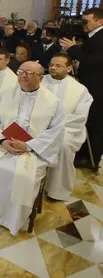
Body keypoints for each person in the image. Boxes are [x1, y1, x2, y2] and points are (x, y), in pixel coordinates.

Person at [0, 61, 65, 236]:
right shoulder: (5, 94)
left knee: (21, 175)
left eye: (29, 73)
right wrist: (2, 140)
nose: (24, 75)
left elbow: (55, 132)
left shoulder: (53, 102)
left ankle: (11, 219)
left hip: (33, 150)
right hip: (3, 144)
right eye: (21, 71)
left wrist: (28, 145)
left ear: (40, 78)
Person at [43, 53, 93, 200]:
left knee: (63, 145)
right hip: (38, 127)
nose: (53, 68)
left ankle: (56, 190)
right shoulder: (40, 81)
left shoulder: (80, 90)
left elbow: (80, 117)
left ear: (69, 68)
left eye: (58, 66)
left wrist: (55, 127)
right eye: (51, 64)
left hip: (66, 130)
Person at [59, 7, 103, 170]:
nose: (83, 24)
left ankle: (92, 159)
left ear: (100, 21)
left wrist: (74, 49)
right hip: (88, 84)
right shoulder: (92, 36)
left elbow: (97, 61)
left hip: (98, 88)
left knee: (95, 124)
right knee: (86, 120)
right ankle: (83, 154)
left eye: (87, 21)